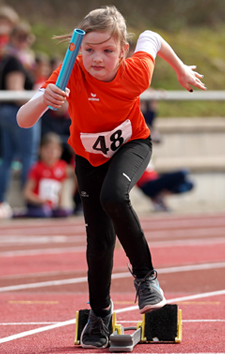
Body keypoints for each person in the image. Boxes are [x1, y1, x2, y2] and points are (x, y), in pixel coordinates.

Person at [17, 5, 206, 349]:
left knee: (114, 196)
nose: (97, 58)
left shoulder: (135, 72)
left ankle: (146, 278)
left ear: (123, 52)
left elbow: (152, 37)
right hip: (89, 158)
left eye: (107, 50)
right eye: (89, 50)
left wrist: (180, 70)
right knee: (99, 241)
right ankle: (100, 314)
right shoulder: (69, 73)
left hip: (132, 145)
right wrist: (44, 99)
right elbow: (23, 120)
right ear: (79, 49)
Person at [0, 22, 40, 218]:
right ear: (13, 38)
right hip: (16, 112)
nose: (25, 41)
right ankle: (29, 202)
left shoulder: (8, 58)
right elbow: (15, 92)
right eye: (21, 37)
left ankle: (2, 201)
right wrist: (39, 101)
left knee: (7, 158)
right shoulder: (15, 61)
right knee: (27, 157)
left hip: (5, 112)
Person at [13, 132, 72, 218]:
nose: (51, 153)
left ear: (60, 151)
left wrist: (60, 204)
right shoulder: (37, 168)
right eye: (48, 150)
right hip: (38, 206)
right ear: (40, 150)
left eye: (54, 150)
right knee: (44, 212)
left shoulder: (62, 167)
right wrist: (40, 201)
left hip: (53, 207)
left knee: (66, 212)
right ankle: (22, 214)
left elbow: (62, 190)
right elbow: (26, 193)